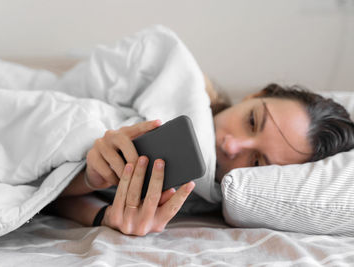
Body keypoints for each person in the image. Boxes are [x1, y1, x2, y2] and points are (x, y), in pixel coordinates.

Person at [45, 80, 354, 236]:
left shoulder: (204, 196)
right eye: (251, 121)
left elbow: (49, 201)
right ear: (252, 96)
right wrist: (85, 162)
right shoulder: (182, 83)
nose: (232, 147)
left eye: (257, 162)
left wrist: (104, 214)